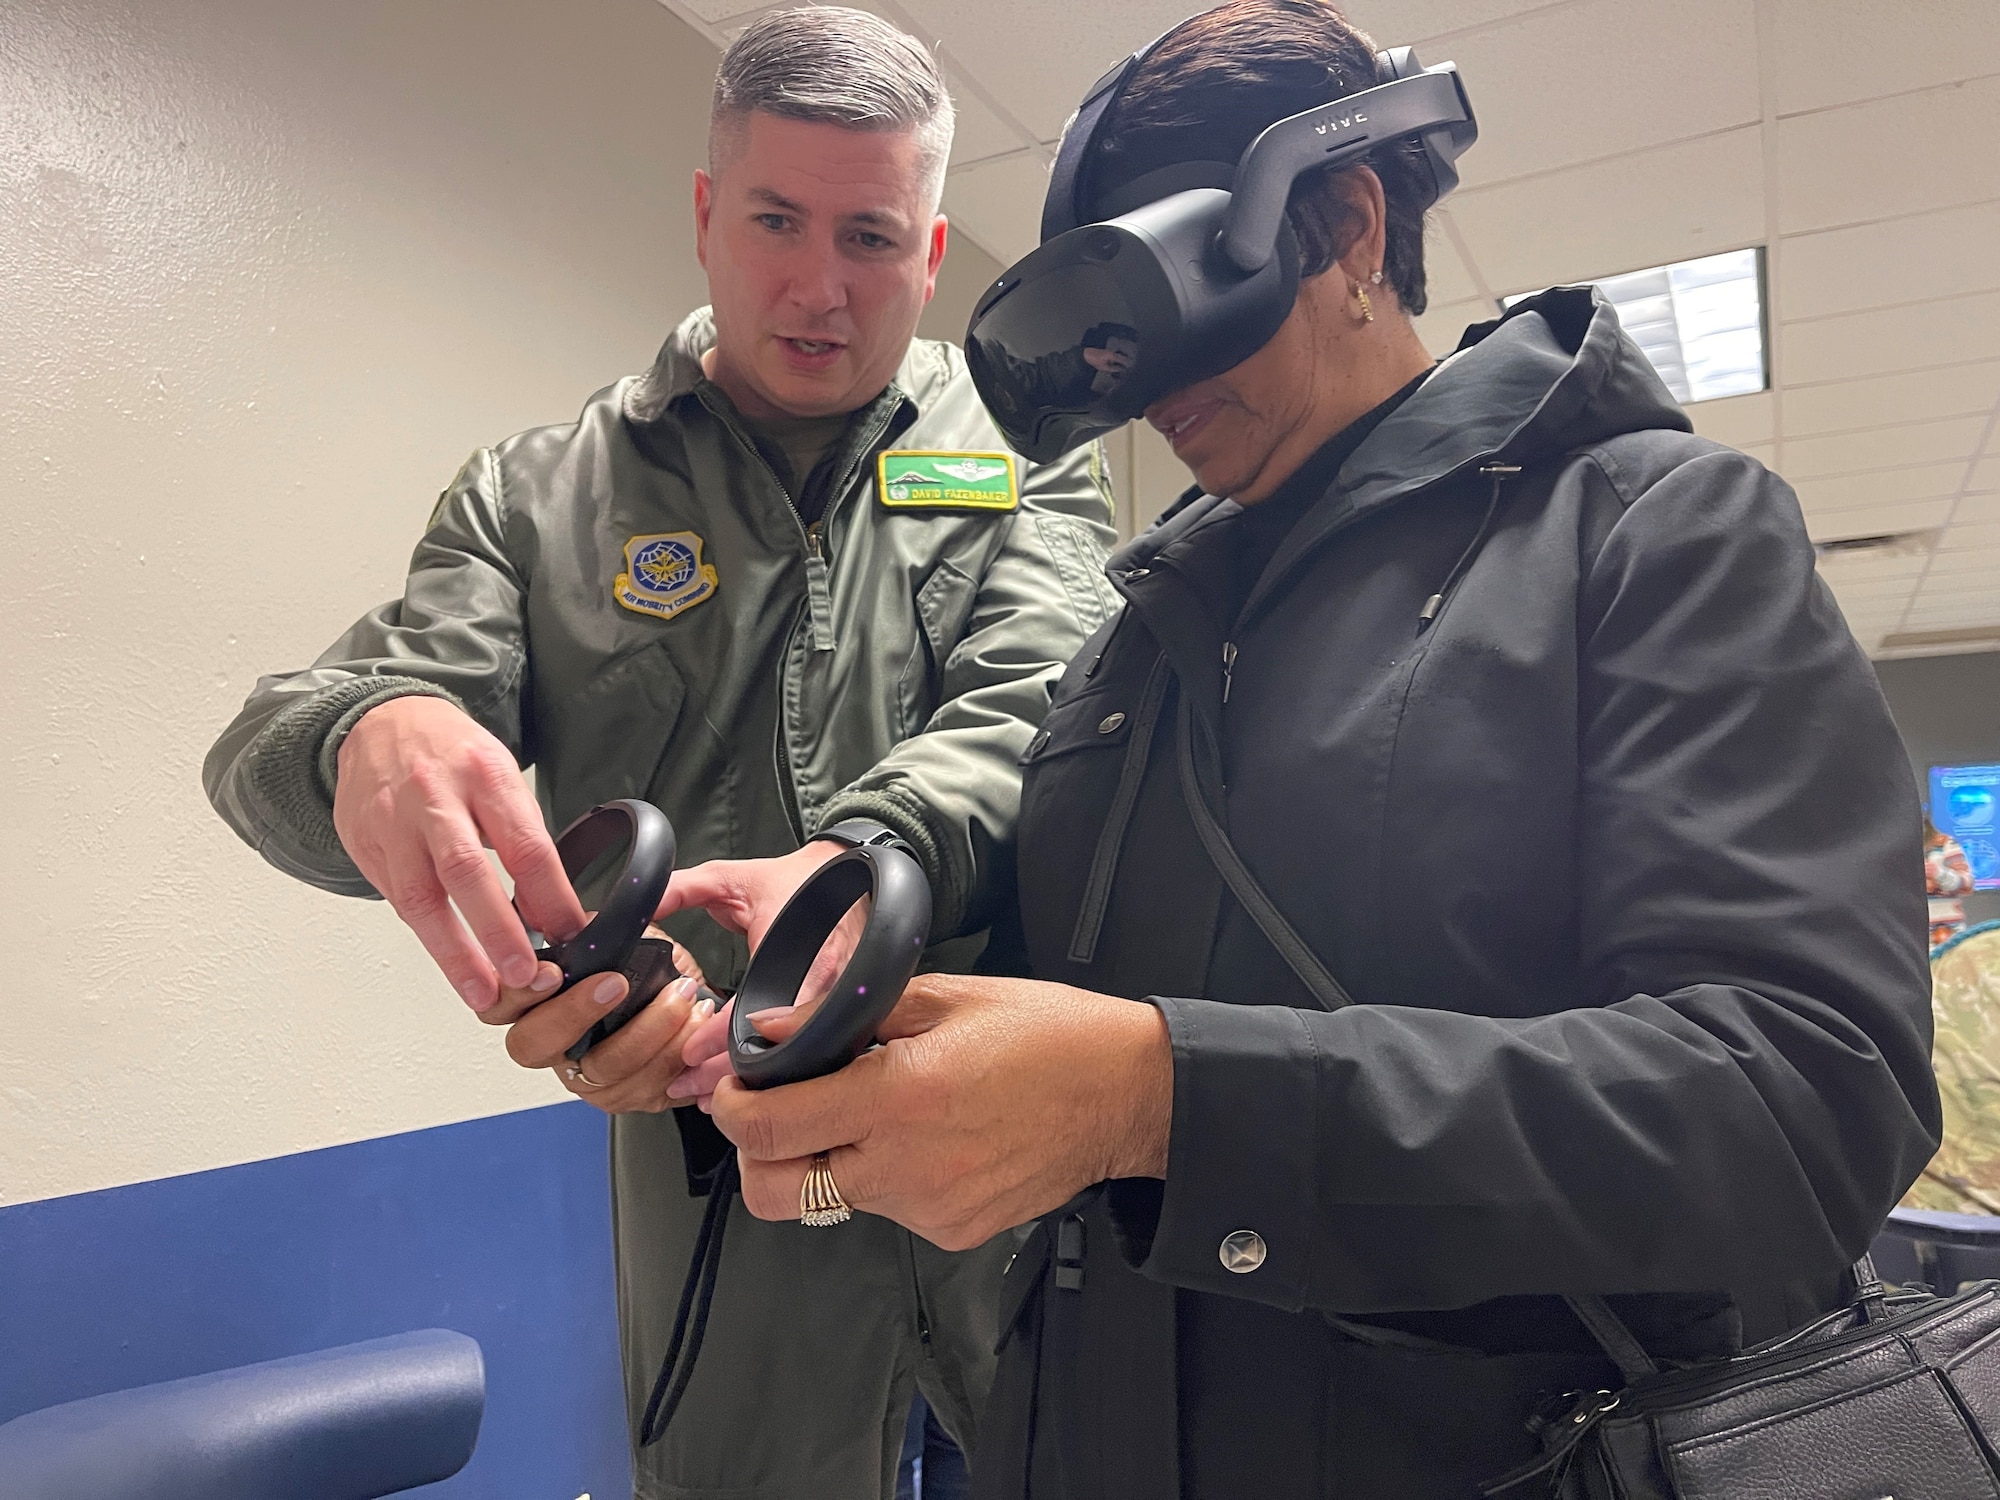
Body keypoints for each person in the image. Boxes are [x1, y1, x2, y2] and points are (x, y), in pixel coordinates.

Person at [672, 3, 1940, 1495]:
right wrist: (804, 956)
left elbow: (1806, 1098)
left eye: (1181, 300)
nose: (1149, 382)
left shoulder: (1650, 534)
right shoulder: (1135, 638)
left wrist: (1163, 1101)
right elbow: (1041, 980)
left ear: (1346, 221)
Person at [202, 9, 1118, 1497]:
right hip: (722, 1188)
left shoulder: (1026, 446)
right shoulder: (535, 497)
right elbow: (298, 736)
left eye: (872, 238)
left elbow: (1047, 701)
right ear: (707, 214)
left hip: (1006, 1164)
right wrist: (359, 735)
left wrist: (850, 874)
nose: (818, 285)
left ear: (933, 254)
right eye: (776, 219)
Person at [1928, 812, 1977, 949]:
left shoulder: (1944, 844)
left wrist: (1939, 873)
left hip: (1945, 933)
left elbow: (1966, 882)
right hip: (1908, 932)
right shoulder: (1895, 847)